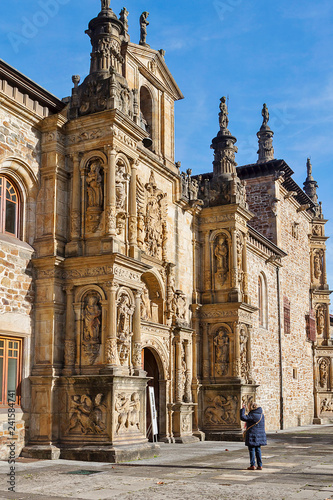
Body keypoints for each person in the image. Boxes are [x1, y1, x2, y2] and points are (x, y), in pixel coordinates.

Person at [240, 401, 267, 470]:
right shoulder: (261, 415)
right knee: (258, 449)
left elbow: (243, 417)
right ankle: (260, 465)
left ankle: (252, 465)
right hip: (260, 435)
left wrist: (243, 409)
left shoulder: (253, 415)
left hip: (252, 434)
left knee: (252, 449)